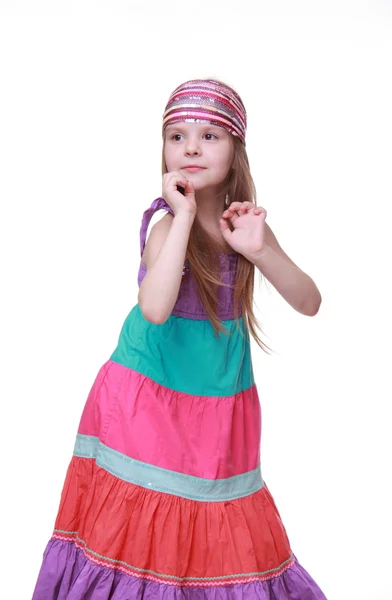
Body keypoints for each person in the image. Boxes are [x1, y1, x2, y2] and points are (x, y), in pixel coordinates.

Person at [32, 78, 326, 599]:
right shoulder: (168, 226)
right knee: (145, 530)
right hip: (146, 399)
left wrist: (261, 252)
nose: (191, 146)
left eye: (210, 135)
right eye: (177, 135)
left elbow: (309, 301)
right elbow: (155, 305)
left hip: (219, 409)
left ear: (236, 151)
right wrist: (186, 214)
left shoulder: (246, 230)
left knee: (216, 522)